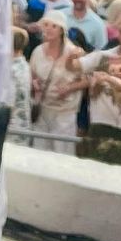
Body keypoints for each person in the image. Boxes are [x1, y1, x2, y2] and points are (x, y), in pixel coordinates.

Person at [28, 11, 84, 153]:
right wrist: (34, 84)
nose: (48, 29)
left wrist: (70, 88)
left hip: (64, 113)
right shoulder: (38, 52)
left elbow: (87, 79)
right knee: (39, 152)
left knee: (61, 153)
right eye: (46, 25)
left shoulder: (73, 52)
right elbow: (32, 75)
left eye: (54, 26)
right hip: (42, 110)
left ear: (61, 30)